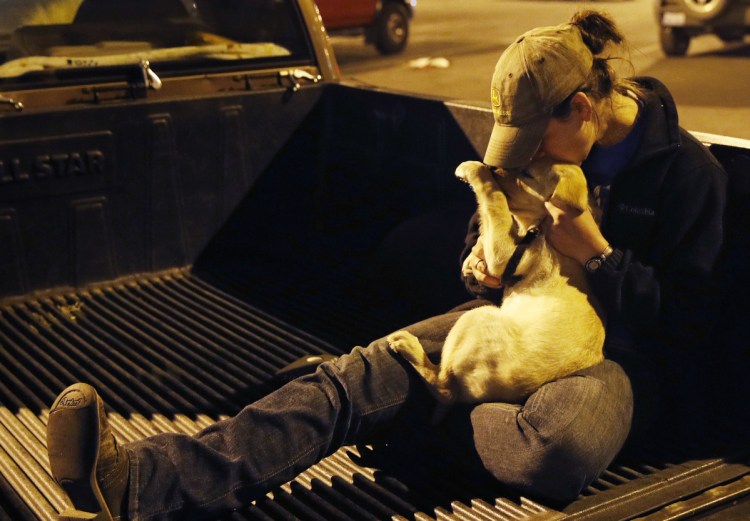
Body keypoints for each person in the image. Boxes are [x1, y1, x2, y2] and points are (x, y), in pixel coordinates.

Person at [46, 10, 727, 521]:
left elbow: (686, 330)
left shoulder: (688, 173)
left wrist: (597, 255)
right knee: (360, 371)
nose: (521, 156)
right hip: (520, 315)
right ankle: (143, 480)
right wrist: (479, 266)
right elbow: (483, 229)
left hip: (613, 357)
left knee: (555, 448)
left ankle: (400, 415)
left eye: (534, 136)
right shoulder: (547, 150)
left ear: (582, 107)